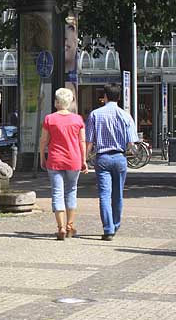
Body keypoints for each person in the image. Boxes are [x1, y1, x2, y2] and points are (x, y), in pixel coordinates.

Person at [86, 82, 137, 241]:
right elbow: (131, 143)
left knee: (104, 194)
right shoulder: (125, 115)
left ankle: (108, 229)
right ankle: (115, 224)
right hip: (120, 157)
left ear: (105, 96)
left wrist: (85, 157)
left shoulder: (95, 114)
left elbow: (89, 140)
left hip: (102, 158)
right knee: (118, 194)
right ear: (119, 97)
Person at [39, 88, 87, 240]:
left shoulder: (50, 119)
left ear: (57, 102)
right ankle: (70, 225)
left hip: (55, 159)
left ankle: (60, 228)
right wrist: (84, 160)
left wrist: (42, 156)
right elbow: (82, 141)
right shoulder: (78, 119)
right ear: (70, 101)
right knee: (71, 190)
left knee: (57, 193)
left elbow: (44, 140)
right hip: (74, 159)